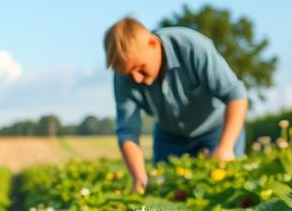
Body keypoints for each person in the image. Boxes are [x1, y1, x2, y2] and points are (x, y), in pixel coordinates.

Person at [104, 16, 249, 194]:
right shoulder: (124, 77)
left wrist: (225, 148)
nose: (136, 78)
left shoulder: (193, 47)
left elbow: (236, 95)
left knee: (227, 193)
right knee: (168, 200)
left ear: (153, 44)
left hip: (216, 131)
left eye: (140, 68)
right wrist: (139, 177)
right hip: (169, 138)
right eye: (129, 73)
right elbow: (128, 132)